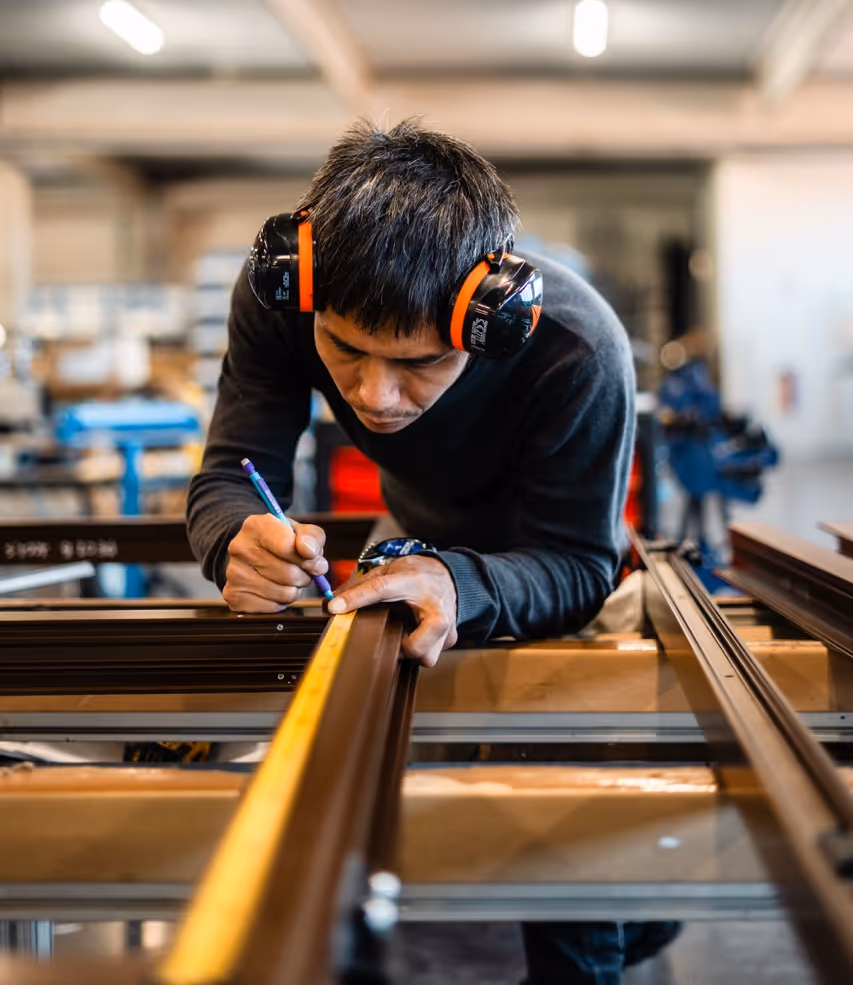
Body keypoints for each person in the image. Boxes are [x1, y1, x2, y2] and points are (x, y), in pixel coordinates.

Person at [187, 117, 677, 984]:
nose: (374, 395)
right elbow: (232, 471)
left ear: (485, 323)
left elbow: (575, 561)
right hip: (415, 536)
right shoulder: (283, 296)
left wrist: (461, 584)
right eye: (345, 350)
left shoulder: (574, 347)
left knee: (558, 833)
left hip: (556, 572)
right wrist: (234, 536)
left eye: (416, 363)